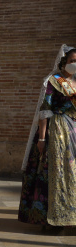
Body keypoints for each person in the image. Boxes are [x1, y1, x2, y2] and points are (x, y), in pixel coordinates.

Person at [18, 44, 76, 226]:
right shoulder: (54, 81)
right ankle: (51, 216)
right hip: (57, 131)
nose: (75, 64)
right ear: (63, 62)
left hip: (74, 130)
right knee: (57, 172)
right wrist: (42, 138)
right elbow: (45, 110)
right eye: (72, 61)